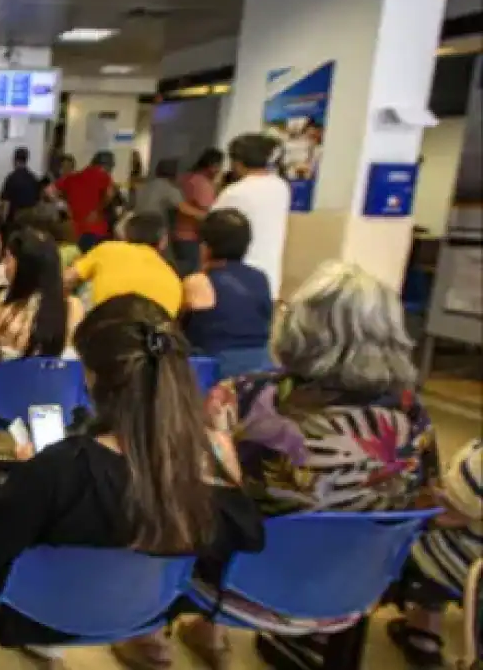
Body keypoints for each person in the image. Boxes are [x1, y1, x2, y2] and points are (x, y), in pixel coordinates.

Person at [0, 295, 263, 667]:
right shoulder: (209, 459)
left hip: (34, 617)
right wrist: (226, 464)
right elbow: (247, 537)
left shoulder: (59, 468)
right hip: (148, 610)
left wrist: (23, 484)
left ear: (92, 377)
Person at [182, 260, 435, 669]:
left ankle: (182, 634)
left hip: (239, 586)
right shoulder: (412, 415)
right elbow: (423, 500)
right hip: (354, 588)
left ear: (301, 327)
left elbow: (190, 488)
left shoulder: (246, 396)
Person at [390, 438, 483, 667]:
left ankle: (423, 635)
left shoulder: (477, 463)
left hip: (465, 569)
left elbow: (446, 513)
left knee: (409, 537)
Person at [0, 228, 83, 371]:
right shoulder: (75, 308)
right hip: (61, 392)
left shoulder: (0, 318)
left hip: (9, 392)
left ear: (22, 267)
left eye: (7, 259)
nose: (3, 265)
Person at [181, 209, 275, 378]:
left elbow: (180, 329)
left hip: (217, 370)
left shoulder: (198, 281)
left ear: (205, 247)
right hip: (263, 366)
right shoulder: (260, 278)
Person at [213, 133, 291, 299]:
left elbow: (212, 229)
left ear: (238, 162)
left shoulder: (234, 192)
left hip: (234, 280)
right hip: (269, 279)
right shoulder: (281, 187)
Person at [66, 212, 182, 317]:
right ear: (163, 242)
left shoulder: (108, 250)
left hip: (102, 331)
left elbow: (67, 278)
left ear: (126, 234)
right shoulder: (173, 279)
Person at [172, 149, 225, 277]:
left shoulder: (185, 178)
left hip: (178, 233)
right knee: (192, 275)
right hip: (192, 236)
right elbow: (209, 209)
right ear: (212, 166)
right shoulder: (202, 183)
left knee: (181, 271)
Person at [53, 151, 116, 251]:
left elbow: (48, 191)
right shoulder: (104, 176)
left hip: (75, 230)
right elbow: (110, 194)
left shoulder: (73, 177)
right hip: (96, 229)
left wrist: (63, 205)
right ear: (107, 166)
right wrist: (98, 209)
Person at [133, 159, 184, 235]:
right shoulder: (168, 187)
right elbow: (183, 208)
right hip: (154, 228)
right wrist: (203, 215)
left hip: (137, 226)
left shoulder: (145, 185)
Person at [0, 147, 42, 227]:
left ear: (15, 160)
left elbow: (6, 203)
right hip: (30, 220)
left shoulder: (11, 178)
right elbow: (38, 202)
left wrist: (3, 221)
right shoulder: (33, 178)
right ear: (26, 160)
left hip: (15, 219)